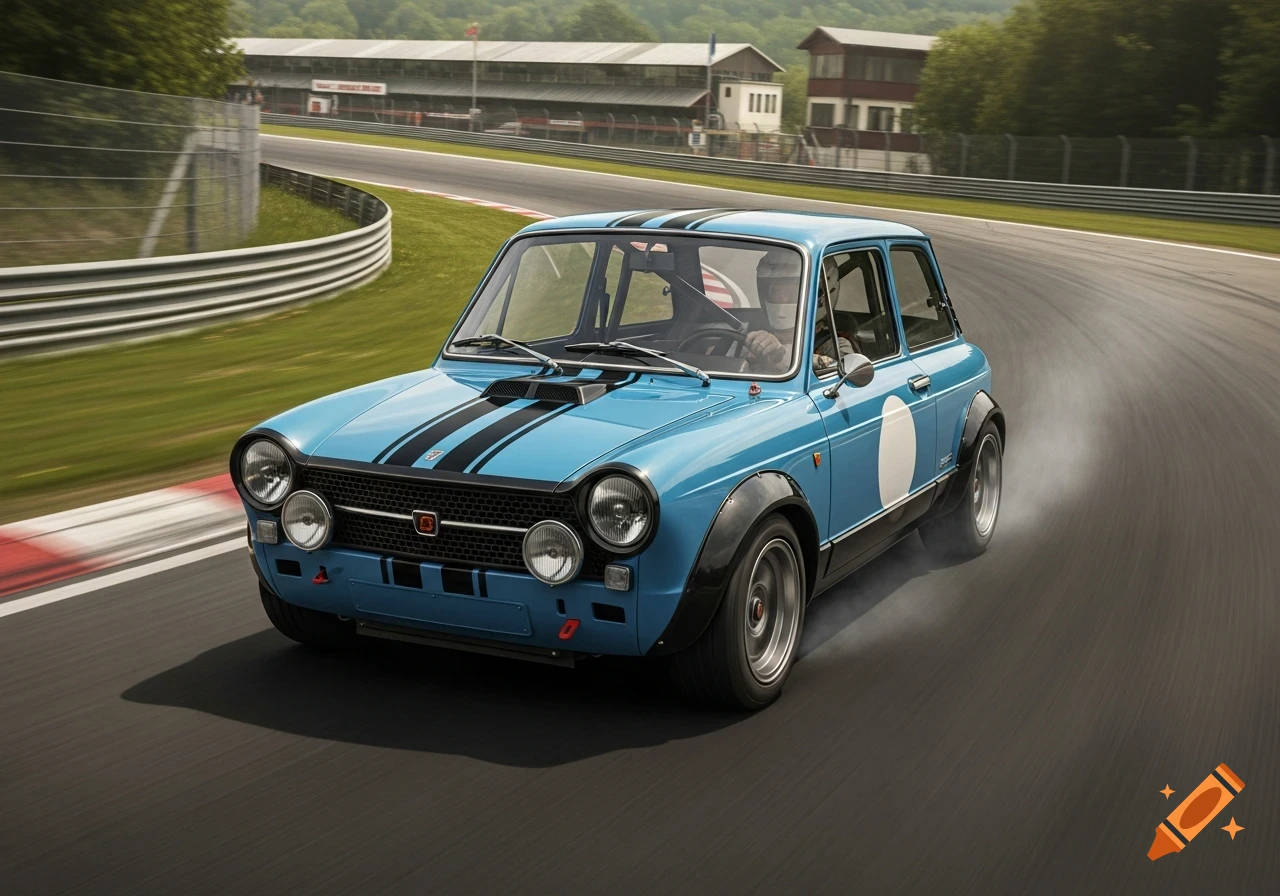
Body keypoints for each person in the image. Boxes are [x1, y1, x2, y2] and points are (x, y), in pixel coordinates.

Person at [743, 251, 855, 374]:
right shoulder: (752, 336)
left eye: (793, 292)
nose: (782, 299)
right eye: (775, 290)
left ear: (819, 298)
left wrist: (782, 356)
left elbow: (849, 373)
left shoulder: (834, 344)